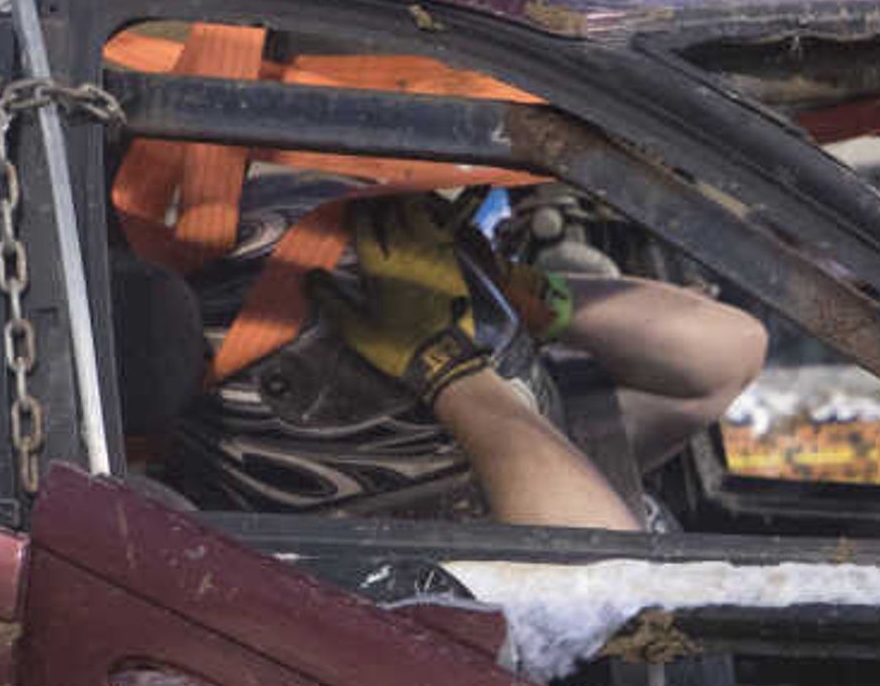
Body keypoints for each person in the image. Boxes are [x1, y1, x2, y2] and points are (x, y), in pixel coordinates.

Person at [162, 170, 765, 530]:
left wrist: (517, 293)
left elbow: (727, 352)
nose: (471, 318)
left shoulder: (509, 428)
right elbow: (598, 574)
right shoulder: (392, 542)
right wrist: (450, 372)